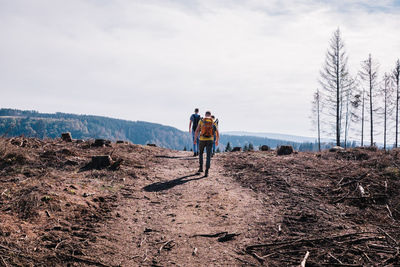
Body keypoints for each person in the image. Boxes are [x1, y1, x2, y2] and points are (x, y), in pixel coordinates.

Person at [194, 111, 219, 177]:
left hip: (202, 139)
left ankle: (201, 168)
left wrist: (195, 139)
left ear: (205, 115)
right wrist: (216, 140)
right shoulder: (213, 121)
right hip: (210, 140)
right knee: (208, 156)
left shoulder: (201, 120)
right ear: (210, 115)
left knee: (201, 153)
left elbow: (197, 130)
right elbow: (217, 132)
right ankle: (206, 171)